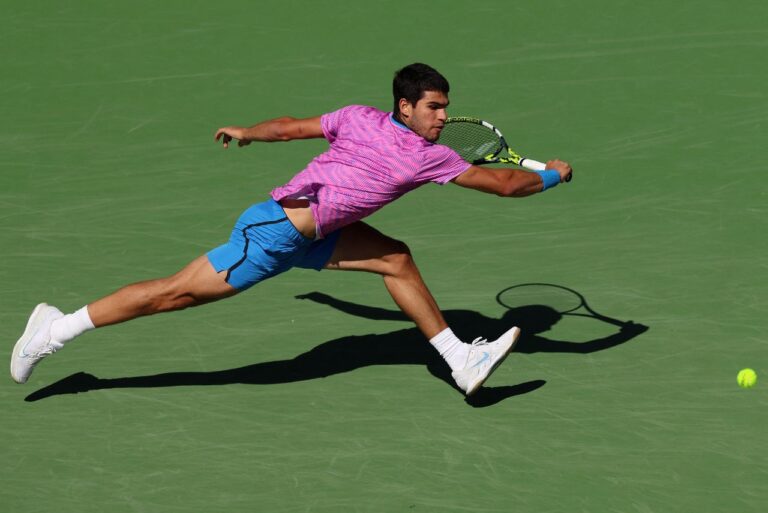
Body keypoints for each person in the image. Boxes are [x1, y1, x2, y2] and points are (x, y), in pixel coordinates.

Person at [10, 63, 572, 396]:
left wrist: (251, 133)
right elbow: (503, 186)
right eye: (433, 108)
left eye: (446, 108)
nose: (443, 117)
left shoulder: (359, 117)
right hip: (274, 233)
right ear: (405, 105)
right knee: (170, 295)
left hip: (321, 233)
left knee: (395, 257)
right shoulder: (429, 158)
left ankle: (458, 358)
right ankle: (55, 332)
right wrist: (550, 176)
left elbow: (289, 129)